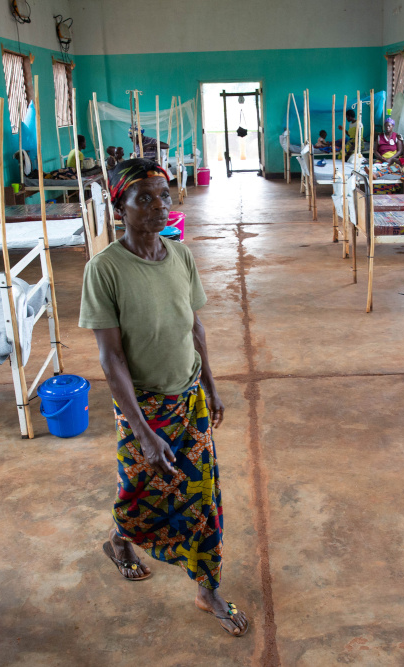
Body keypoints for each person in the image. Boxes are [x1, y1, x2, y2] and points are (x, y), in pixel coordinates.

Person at [79, 158, 249, 637]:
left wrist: (211, 384)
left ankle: (206, 586)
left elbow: (193, 324)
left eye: (164, 195)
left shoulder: (180, 257)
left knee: (201, 496)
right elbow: (111, 359)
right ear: (121, 208)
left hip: (189, 400)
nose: (159, 206)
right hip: (143, 406)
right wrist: (142, 431)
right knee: (140, 490)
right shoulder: (105, 270)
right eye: (144, 198)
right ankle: (120, 541)